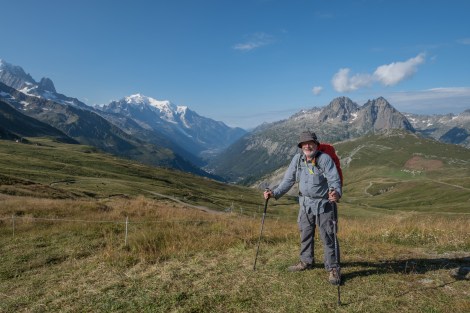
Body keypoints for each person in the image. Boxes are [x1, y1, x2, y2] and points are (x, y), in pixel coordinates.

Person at [263, 130, 342, 285]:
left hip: (324, 205)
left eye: (310, 143)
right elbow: (288, 180)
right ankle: (306, 261)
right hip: (305, 204)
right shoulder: (298, 159)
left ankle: (333, 269)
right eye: (304, 144)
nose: (307, 146)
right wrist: (274, 192)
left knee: (328, 237)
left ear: (316, 144)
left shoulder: (324, 159)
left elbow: (334, 179)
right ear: (301, 146)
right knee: (305, 233)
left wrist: (336, 193)